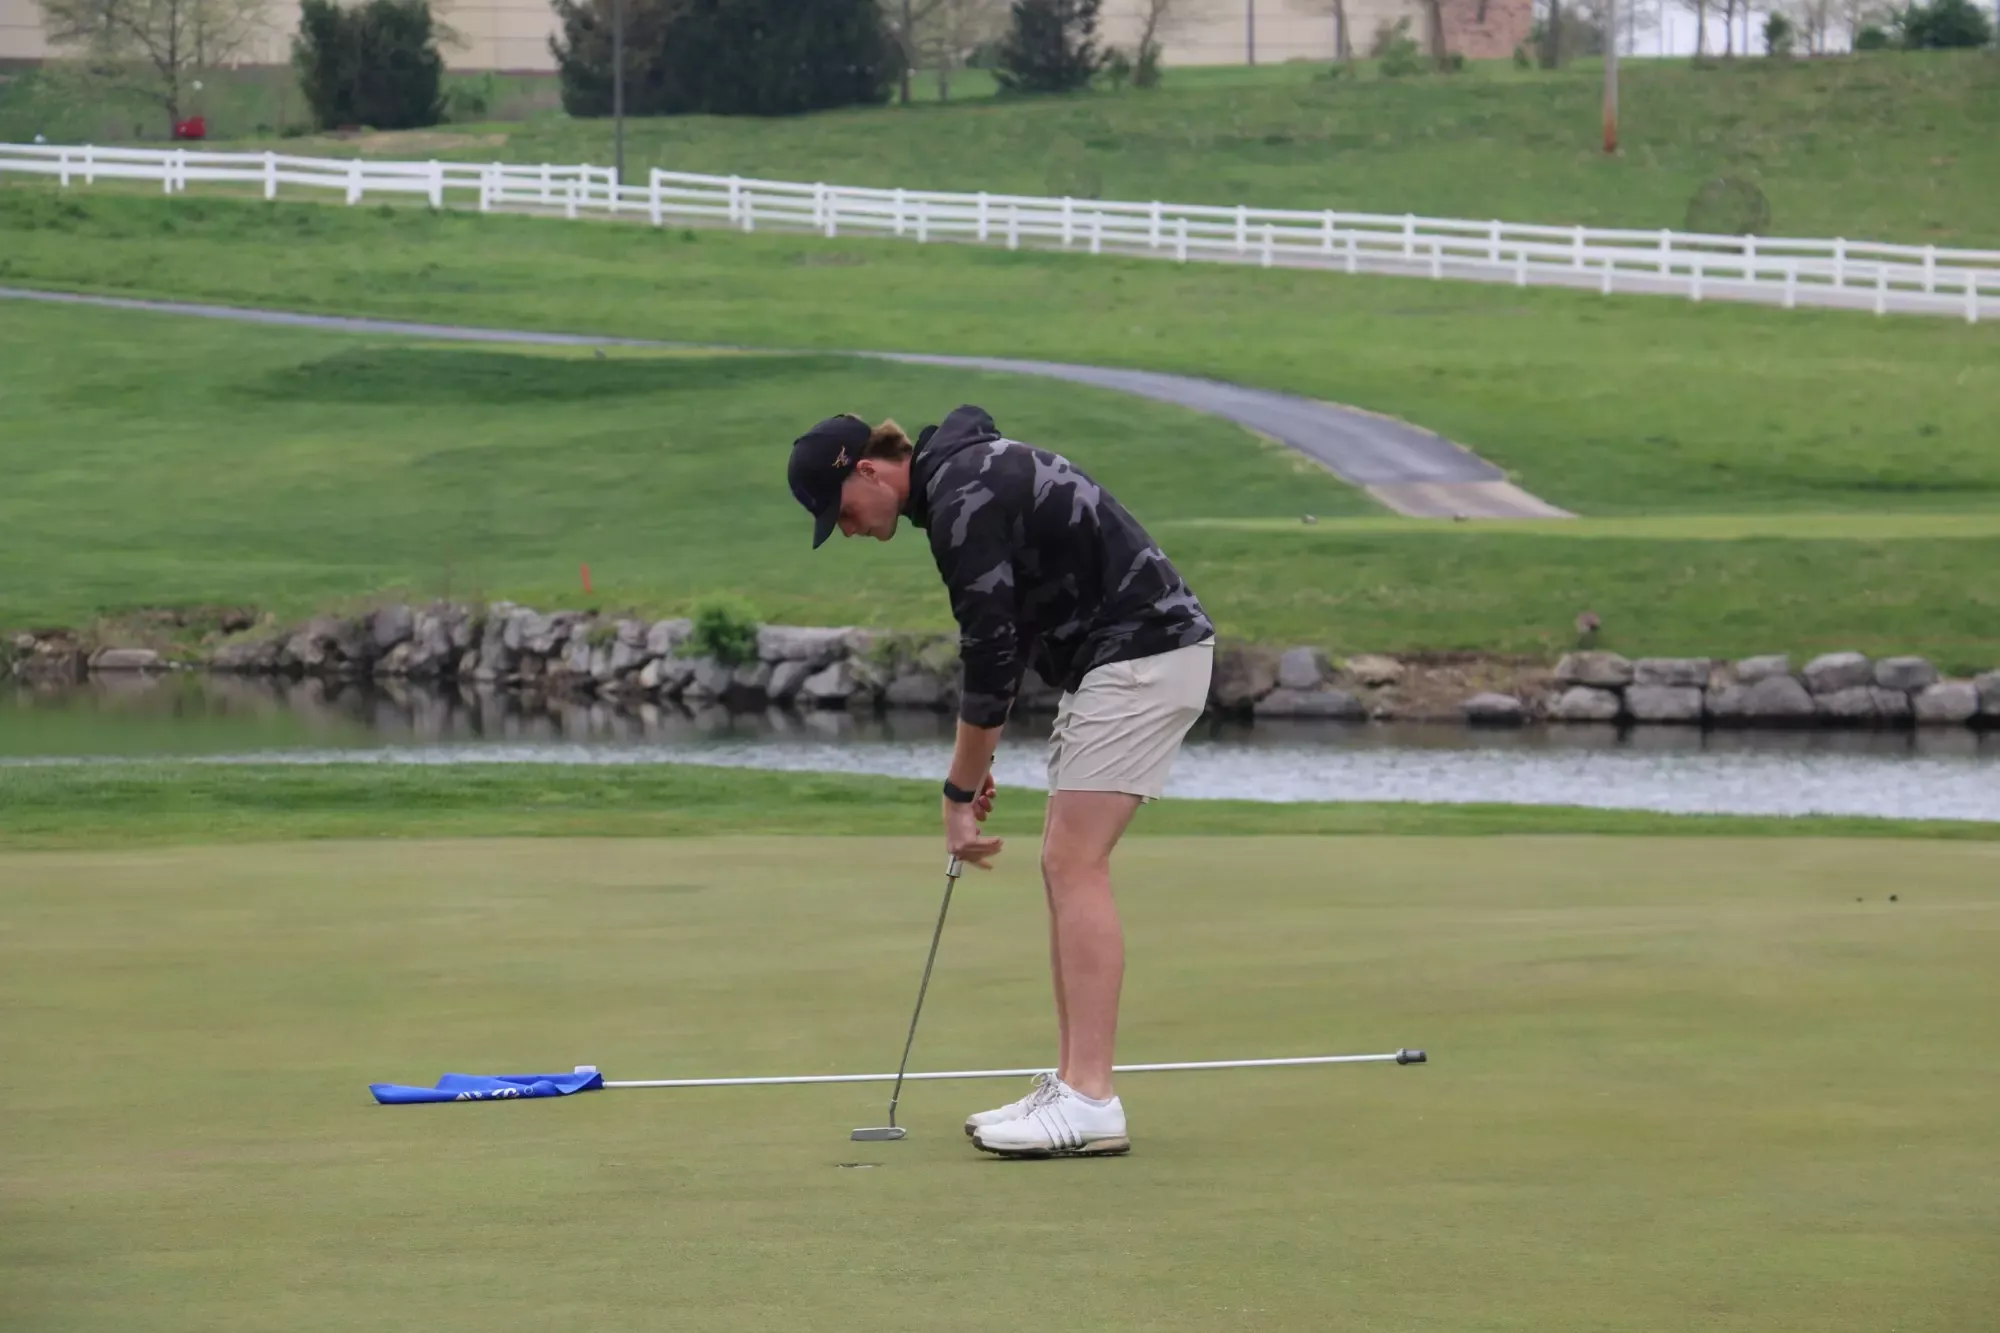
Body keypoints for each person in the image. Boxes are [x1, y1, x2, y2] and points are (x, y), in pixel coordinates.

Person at [787, 405, 1215, 1158]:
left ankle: (1091, 1099)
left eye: (841, 512)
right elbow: (1006, 641)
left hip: (1143, 656)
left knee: (1074, 862)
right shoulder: (962, 478)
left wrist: (958, 794)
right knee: (1063, 861)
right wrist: (977, 763)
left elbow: (990, 654)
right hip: (1126, 658)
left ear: (870, 471)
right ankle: (1074, 1083)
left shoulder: (961, 497)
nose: (846, 530)